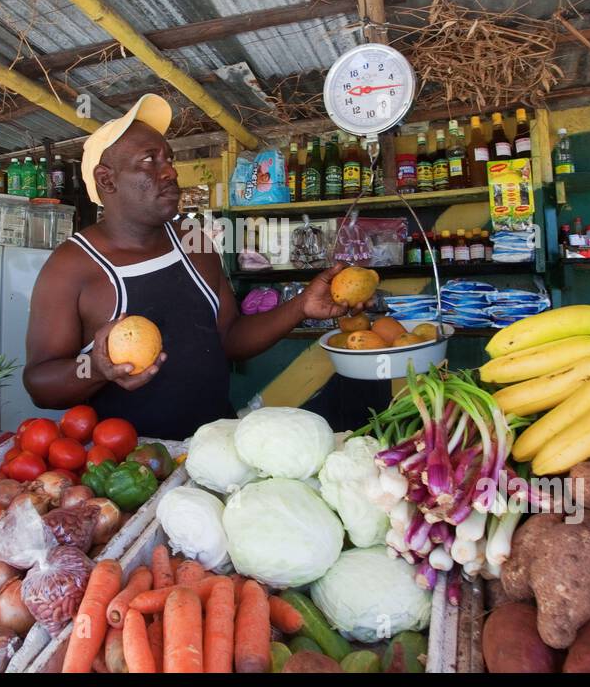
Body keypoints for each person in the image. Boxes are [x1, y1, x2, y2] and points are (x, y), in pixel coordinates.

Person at [24, 94, 364, 440]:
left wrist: (301, 305)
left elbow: (228, 338)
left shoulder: (193, 241)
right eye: (149, 160)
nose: (170, 171)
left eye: (168, 159)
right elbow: (40, 384)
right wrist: (96, 369)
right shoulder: (72, 266)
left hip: (213, 449)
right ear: (107, 180)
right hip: (126, 471)